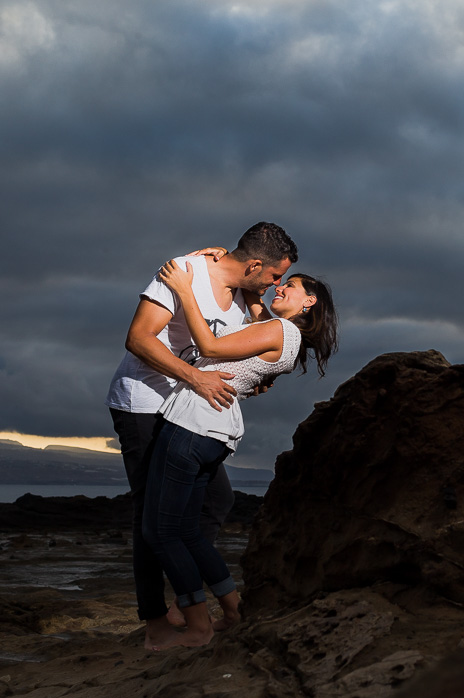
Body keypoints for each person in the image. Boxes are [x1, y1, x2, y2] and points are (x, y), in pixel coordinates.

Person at [105, 222, 297, 649]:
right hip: (144, 406)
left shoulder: (246, 295)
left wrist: (255, 377)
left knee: (217, 502)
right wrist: (197, 379)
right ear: (254, 264)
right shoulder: (186, 271)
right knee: (149, 520)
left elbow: (248, 349)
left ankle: (186, 591)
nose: (275, 284)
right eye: (273, 275)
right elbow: (138, 338)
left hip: (188, 415)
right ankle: (156, 623)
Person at [141, 261, 338, 648]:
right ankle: (233, 612)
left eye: (291, 285)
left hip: (192, 424)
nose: (280, 287)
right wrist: (239, 268)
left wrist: (184, 289)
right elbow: (255, 300)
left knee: (160, 532)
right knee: (189, 533)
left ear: (309, 302)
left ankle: (197, 628)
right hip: (214, 431)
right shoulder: (281, 331)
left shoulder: (279, 330)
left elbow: (210, 346)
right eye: (278, 281)